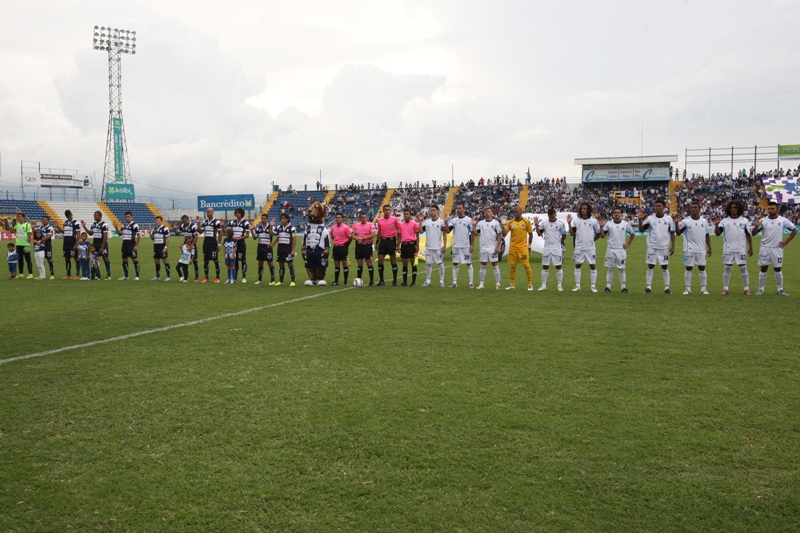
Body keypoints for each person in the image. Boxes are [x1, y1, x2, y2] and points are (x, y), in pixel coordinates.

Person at [752, 201, 797, 296]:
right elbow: (753, 233)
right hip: (765, 248)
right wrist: (756, 227)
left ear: (778, 209)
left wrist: (786, 242)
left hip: (777, 248)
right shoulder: (763, 221)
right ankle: (761, 289)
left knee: (778, 269)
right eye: (769, 208)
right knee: (763, 269)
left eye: (772, 209)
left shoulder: (783, 220)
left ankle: (780, 289)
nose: (770, 210)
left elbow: (795, 229)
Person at [714, 199, 753, 295]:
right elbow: (718, 234)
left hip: (740, 248)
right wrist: (716, 224)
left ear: (739, 209)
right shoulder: (724, 221)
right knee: (727, 268)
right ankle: (725, 288)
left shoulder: (744, 220)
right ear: (728, 209)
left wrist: (751, 247)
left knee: (743, 268)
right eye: (731, 208)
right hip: (728, 249)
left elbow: (748, 234)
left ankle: (746, 288)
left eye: (735, 207)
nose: (733, 209)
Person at [638, 200, 675, 294]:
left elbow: (672, 232)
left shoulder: (669, 219)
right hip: (652, 246)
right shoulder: (650, 219)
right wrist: (640, 219)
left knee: (665, 267)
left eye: (659, 206)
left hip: (664, 247)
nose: (658, 208)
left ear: (664, 207)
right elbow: (642, 230)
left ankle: (667, 288)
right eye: (656, 206)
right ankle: (648, 287)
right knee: (650, 266)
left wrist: (673, 246)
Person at [675, 200, 711, 295]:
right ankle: (687, 289)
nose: (693, 209)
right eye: (692, 207)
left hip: (701, 249)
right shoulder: (686, 221)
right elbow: (678, 234)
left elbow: (707, 235)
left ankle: (703, 289)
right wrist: (676, 224)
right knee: (688, 268)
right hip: (689, 249)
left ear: (699, 209)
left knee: (702, 268)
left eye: (695, 207)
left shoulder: (704, 221)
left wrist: (710, 247)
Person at [569, 202, 603, 292]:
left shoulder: (594, 221)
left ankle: (593, 286)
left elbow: (598, 234)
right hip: (579, 247)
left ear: (588, 210)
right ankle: (577, 285)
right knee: (578, 265)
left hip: (590, 248)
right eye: (581, 209)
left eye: (585, 208)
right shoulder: (576, 221)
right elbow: (572, 233)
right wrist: (569, 223)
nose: (583, 210)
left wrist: (591, 241)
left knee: (592, 266)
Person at [601, 207, 635, 292]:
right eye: (615, 212)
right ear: (612, 214)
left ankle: (623, 287)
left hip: (621, 250)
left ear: (621, 214)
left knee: (622, 269)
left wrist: (628, 244)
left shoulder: (625, 224)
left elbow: (632, 234)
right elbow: (602, 236)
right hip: (611, 250)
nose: (617, 214)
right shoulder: (608, 224)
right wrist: (601, 227)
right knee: (610, 268)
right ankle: (608, 286)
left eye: (618, 212)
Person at [534, 208, 567, 291]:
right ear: (548, 216)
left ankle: (559, 285)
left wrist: (560, 242)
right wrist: (536, 225)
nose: (552, 219)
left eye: (553, 217)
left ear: (555, 215)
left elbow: (564, 235)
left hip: (556, 247)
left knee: (558, 266)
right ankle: (543, 285)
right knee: (545, 266)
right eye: (550, 217)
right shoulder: (544, 223)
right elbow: (539, 234)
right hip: (547, 247)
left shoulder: (560, 224)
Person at [503, 206, 534, 290]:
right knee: (512, 267)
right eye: (514, 212)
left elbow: (531, 234)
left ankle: (530, 284)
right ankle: (512, 284)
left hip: (523, 248)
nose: (515, 213)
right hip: (513, 248)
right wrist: (503, 226)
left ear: (521, 212)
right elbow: (504, 234)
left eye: (517, 212)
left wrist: (529, 246)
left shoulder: (526, 222)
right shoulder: (510, 222)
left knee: (527, 266)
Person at [419, 206, 447, 288]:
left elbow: (445, 234)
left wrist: (444, 245)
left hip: (438, 247)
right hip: (429, 247)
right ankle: (428, 280)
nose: (432, 212)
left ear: (438, 211)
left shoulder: (441, 222)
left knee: (440, 264)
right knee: (428, 264)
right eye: (431, 210)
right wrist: (420, 221)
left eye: (434, 210)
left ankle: (441, 281)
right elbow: (421, 232)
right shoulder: (427, 222)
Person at [448, 204, 475, 288]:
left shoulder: (468, 220)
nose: (458, 209)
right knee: (455, 264)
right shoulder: (454, 220)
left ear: (464, 209)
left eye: (460, 208)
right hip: (456, 246)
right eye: (457, 208)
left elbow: (472, 233)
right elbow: (448, 231)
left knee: (469, 264)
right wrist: (445, 222)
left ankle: (471, 282)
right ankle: (454, 282)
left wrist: (472, 245)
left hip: (465, 246)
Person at [475, 207, 502, 290]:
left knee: (495, 265)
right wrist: (473, 225)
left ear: (492, 213)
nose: (487, 213)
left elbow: (499, 235)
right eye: (486, 211)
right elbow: (476, 234)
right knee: (483, 266)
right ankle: (481, 283)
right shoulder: (480, 223)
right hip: (483, 247)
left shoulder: (496, 223)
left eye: (489, 211)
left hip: (492, 247)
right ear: (484, 213)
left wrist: (497, 247)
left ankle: (498, 284)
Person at [81, 211, 111, 280]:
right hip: (95, 244)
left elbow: (105, 236)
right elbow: (91, 233)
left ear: (100, 216)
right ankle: (96, 274)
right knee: (95, 260)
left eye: (96, 216)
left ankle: (108, 274)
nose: (94, 217)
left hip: (102, 244)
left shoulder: (104, 225)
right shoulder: (94, 224)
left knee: (105, 258)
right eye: (94, 216)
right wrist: (84, 227)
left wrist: (102, 247)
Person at [375, 205, 400, 286]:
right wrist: (377, 242)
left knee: (393, 260)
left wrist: (398, 243)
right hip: (383, 241)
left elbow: (399, 231)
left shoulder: (395, 219)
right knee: (380, 260)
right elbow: (379, 232)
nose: (387, 211)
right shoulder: (379, 220)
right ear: (383, 210)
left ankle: (395, 280)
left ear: (390, 210)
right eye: (385, 209)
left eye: (389, 209)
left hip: (391, 241)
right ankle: (381, 280)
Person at [301, 216, 330, 286]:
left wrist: (326, 251)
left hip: (319, 251)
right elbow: (304, 242)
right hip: (310, 250)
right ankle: (312, 278)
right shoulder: (307, 230)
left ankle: (321, 278)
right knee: (310, 265)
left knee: (321, 266)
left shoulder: (324, 230)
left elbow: (327, 243)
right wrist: (303, 251)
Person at [271, 213, 297, 286]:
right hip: (280, 249)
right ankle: (281, 281)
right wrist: (271, 226)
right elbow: (272, 234)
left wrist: (292, 250)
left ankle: (293, 281)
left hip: (288, 249)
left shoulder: (292, 228)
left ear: (287, 219)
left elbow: (294, 239)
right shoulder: (279, 227)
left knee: (290, 264)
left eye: (284, 218)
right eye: (281, 219)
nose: (282, 220)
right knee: (281, 264)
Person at [114, 211, 141, 281]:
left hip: (131, 244)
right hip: (124, 244)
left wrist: (136, 245)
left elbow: (138, 235)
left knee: (134, 259)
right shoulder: (124, 225)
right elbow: (120, 234)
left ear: (132, 217)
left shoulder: (135, 225)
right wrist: (116, 228)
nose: (127, 218)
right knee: (124, 259)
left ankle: (137, 276)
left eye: (128, 216)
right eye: (126, 217)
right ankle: (126, 275)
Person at [199, 208, 222, 283]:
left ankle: (217, 277)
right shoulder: (204, 221)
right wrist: (198, 223)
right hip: (206, 242)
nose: (208, 213)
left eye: (209, 212)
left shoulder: (216, 222)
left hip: (213, 242)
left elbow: (220, 233)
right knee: (205, 260)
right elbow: (200, 231)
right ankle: (206, 277)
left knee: (215, 260)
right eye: (207, 212)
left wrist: (218, 244)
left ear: (212, 212)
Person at [352, 211, 375, 286]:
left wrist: (364, 238)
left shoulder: (370, 225)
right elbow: (352, 235)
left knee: (369, 263)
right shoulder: (356, 226)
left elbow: (373, 234)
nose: (364, 219)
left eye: (365, 217)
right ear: (359, 218)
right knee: (359, 263)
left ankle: (371, 281)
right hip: (359, 246)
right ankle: (359, 280)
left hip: (367, 246)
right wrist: (357, 239)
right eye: (362, 217)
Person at [252, 214, 277, 285]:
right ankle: (259, 279)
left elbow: (271, 235)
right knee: (260, 263)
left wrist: (271, 226)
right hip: (260, 247)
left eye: (264, 218)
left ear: (267, 219)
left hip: (267, 247)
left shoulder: (271, 227)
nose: (263, 219)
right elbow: (254, 238)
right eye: (262, 218)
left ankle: (272, 279)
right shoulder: (258, 228)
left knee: (270, 262)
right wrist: (251, 230)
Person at [398, 208, 420, 286]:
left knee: (414, 263)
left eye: (407, 214)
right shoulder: (401, 225)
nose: (406, 215)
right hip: (404, 245)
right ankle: (405, 282)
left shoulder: (414, 224)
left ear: (410, 215)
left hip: (412, 245)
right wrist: (398, 245)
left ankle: (413, 282)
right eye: (405, 214)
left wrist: (417, 245)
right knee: (404, 264)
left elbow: (417, 235)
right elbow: (399, 236)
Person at [330, 212, 352, 286]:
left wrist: (346, 245)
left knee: (344, 264)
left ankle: (345, 281)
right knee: (336, 264)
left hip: (343, 247)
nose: (338, 219)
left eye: (339, 217)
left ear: (342, 219)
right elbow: (332, 236)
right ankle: (336, 281)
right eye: (337, 218)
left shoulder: (346, 227)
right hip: (336, 247)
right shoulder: (333, 228)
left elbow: (350, 237)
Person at [229, 207, 251, 283]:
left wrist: (240, 238)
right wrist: (222, 227)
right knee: (235, 261)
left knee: (243, 260)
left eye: (239, 212)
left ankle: (244, 277)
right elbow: (228, 232)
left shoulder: (245, 223)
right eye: (236, 212)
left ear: (242, 213)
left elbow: (247, 235)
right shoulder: (232, 222)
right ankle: (235, 277)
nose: (237, 214)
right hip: (233, 244)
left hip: (241, 243)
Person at [59, 210, 81, 279]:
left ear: (72, 214)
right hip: (66, 243)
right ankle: (68, 274)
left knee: (76, 258)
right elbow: (64, 232)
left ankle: (77, 274)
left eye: (70, 216)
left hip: (73, 242)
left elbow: (78, 234)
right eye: (67, 216)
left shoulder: (76, 223)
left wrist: (76, 244)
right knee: (67, 258)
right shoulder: (65, 223)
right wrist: (58, 227)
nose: (69, 217)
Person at [178, 214, 200, 281]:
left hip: (192, 245)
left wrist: (192, 245)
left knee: (194, 260)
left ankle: (196, 277)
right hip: (185, 246)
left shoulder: (193, 226)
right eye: (183, 222)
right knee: (184, 261)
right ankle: (185, 277)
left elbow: (196, 237)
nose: (184, 223)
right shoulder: (182, 226)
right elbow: (177, 233)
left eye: (185, 221)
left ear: (188, 219)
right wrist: (175, 228)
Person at [150, 216, 171, 281]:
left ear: (161, 221)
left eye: (158, 220)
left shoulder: (165, 229)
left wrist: (166, 247)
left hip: (162, 247)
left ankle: (168, 276)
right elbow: (153, 238)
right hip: (156, 247)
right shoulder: (154, 229)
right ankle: (157, 276)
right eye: (156, 221)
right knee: (156, 261)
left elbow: (168, 238)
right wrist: (150, 234)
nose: (157, 222)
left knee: (165, 261)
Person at [13, 213, 33, 279]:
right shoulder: (17, 224)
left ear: (23, 218)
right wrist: (12, 224)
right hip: (18, 244)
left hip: (25, 245)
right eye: (18, 217)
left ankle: (30, 273)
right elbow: (12, 231)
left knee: (28, 259)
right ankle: (21, 274)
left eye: (19, 217)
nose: (18, 218)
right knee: (20, 260)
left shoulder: (27, 225)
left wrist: (28, 243)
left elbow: (29, 235)